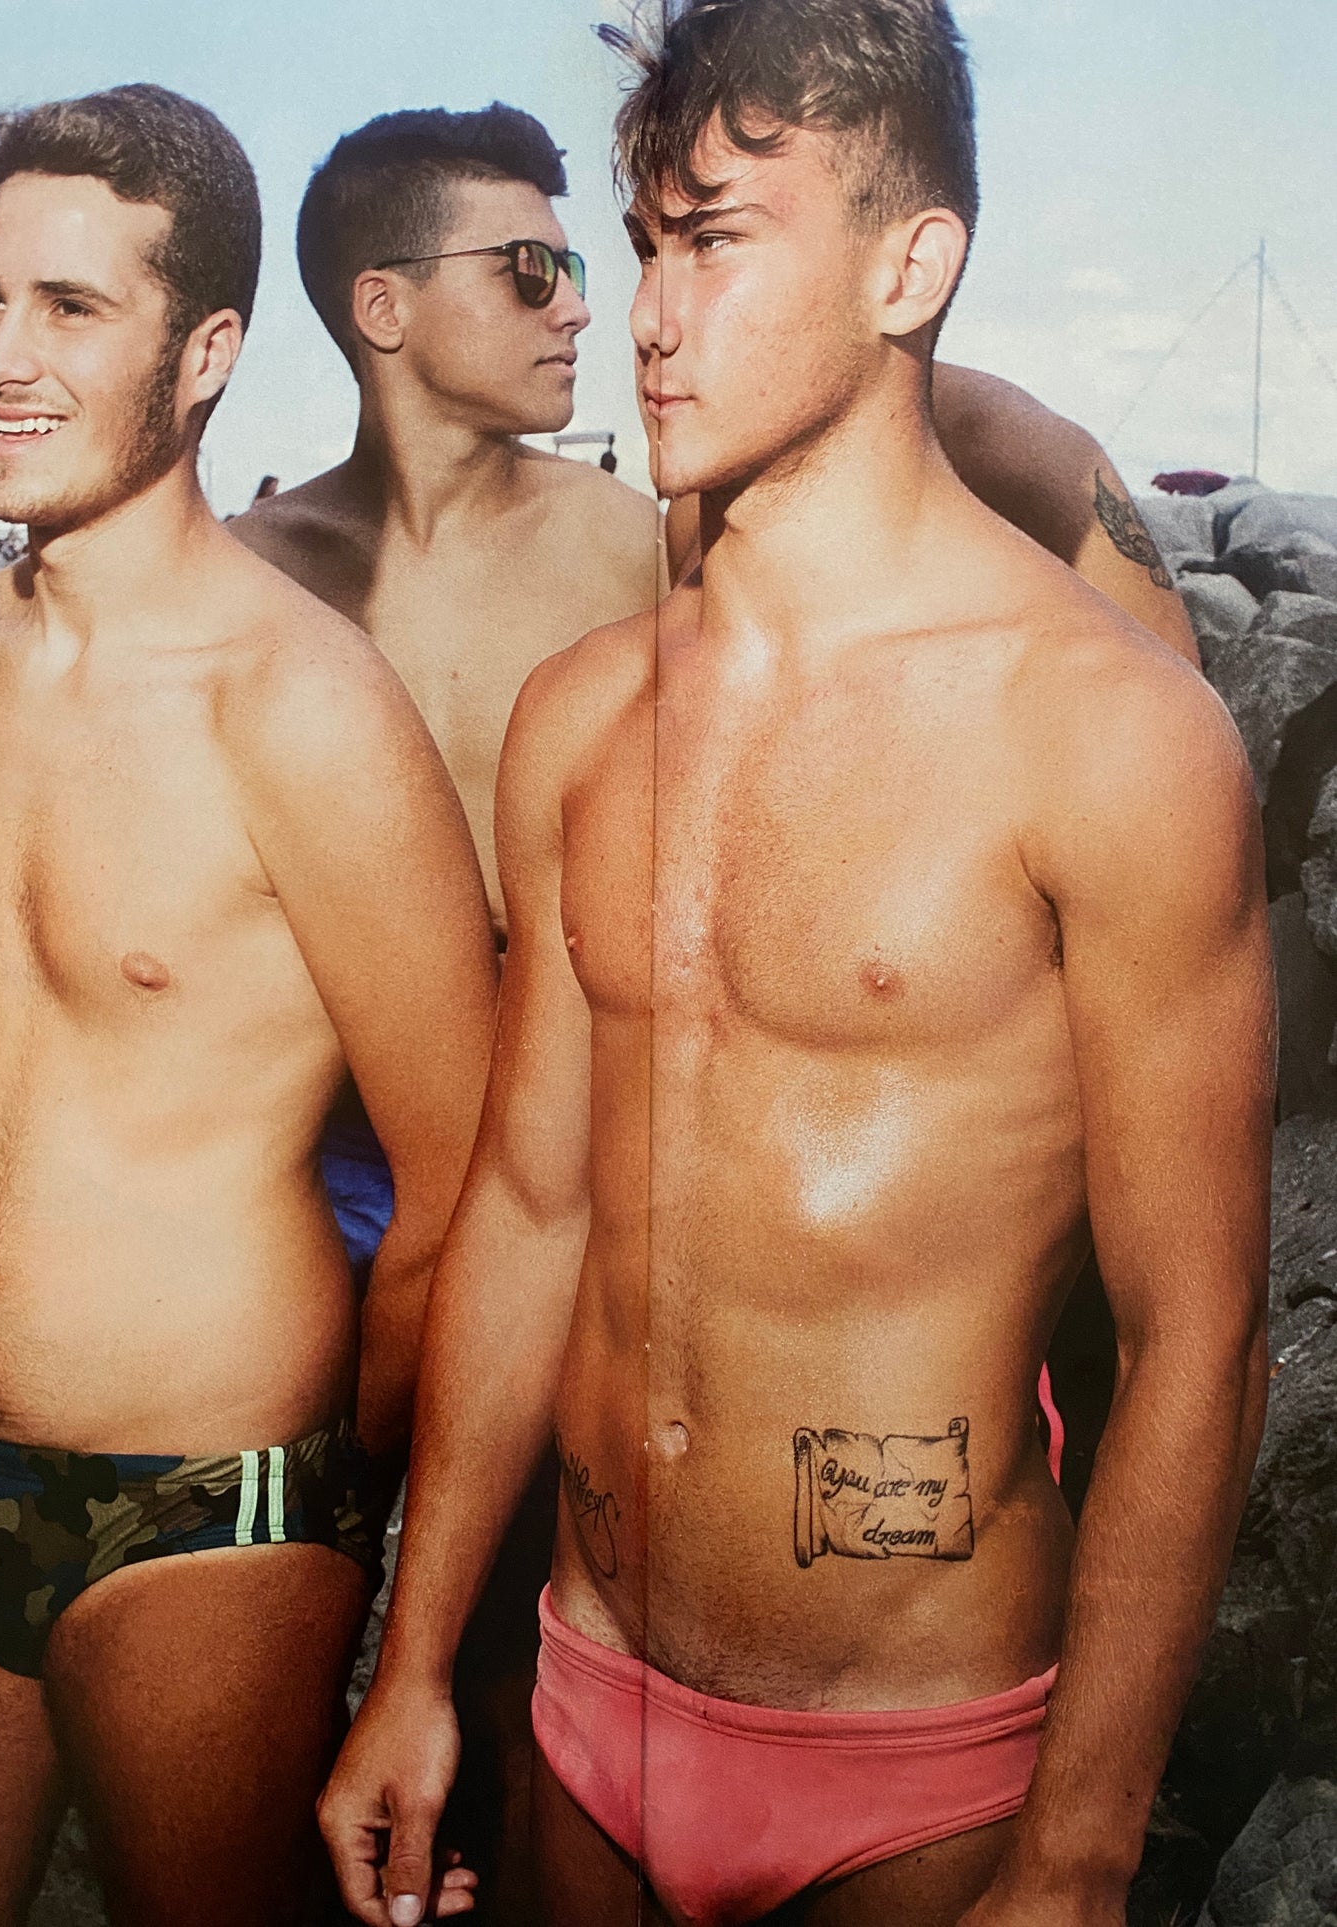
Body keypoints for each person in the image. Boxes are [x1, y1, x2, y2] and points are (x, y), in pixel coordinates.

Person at [317, 4, 1274, 1925]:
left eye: (719, 241)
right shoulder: (583, 716)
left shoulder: (1106, 736)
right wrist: (416, 1665)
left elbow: (1199, 1336)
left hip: (919, 1763)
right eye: (641, 246)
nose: (649, 318)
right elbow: (528, 1205)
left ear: (909, 268)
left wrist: (1077, 1856)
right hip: (585, 1701)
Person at [0, 83, 494, 1927]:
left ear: (207, 354)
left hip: (206, 1502)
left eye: (73, 309)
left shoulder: (302, 710)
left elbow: (464, 1178)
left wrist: (340, 1495)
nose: (2, 356)